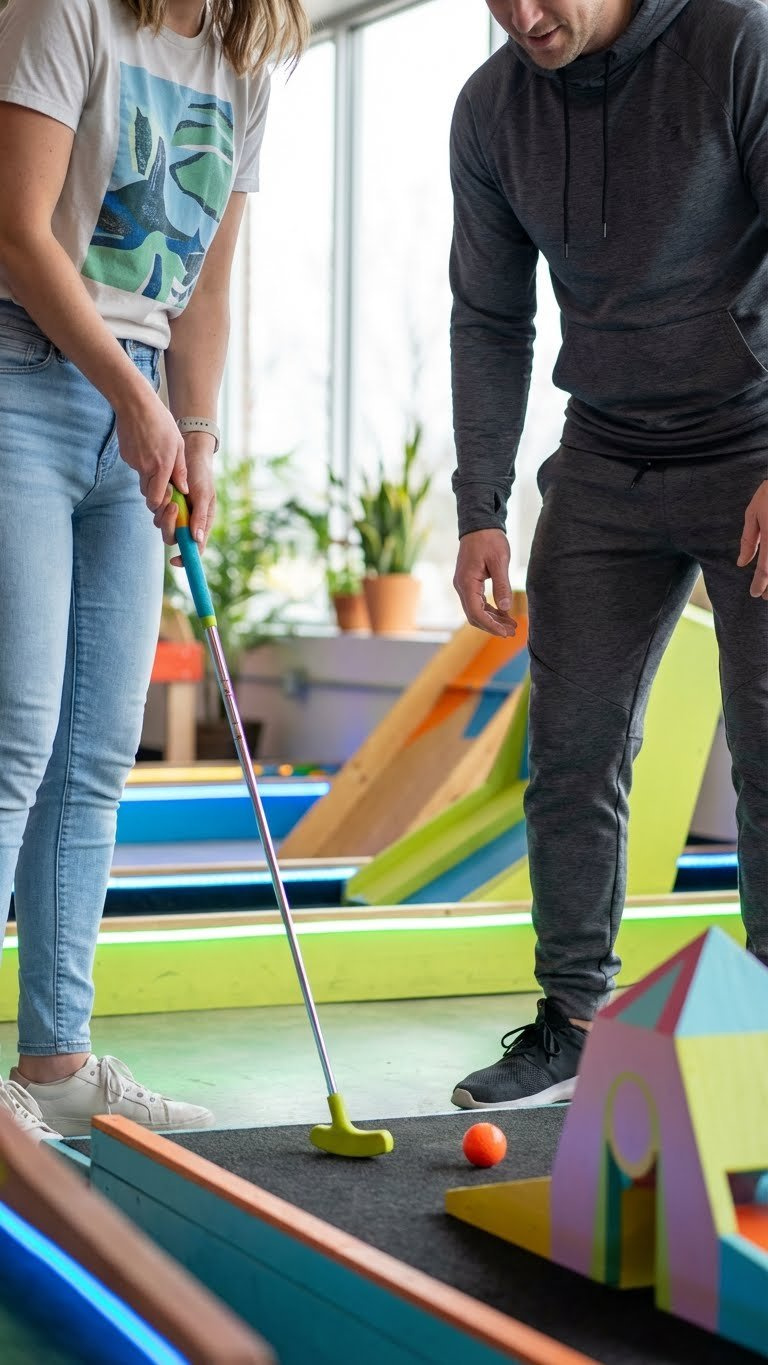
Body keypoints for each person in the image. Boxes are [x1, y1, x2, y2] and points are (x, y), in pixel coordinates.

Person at [449, 0, 768, 1109]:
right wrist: (479, 506)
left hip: (754, 442)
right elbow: (489, 317)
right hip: (603, 456)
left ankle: (765, 1040)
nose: (524, 15)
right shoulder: (491, 108)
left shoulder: (738, 41)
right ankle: (573, 1021)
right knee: (573, 749)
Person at [0, 0, 307, 1141]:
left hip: (140, 410)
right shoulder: (63, 13)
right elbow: (19, 232)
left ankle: (58, 1061)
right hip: (20, 372)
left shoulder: (247, 58)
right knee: (13, 741)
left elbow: (208, 284)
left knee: (92, 758)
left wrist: (201, 428)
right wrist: (139, 401)